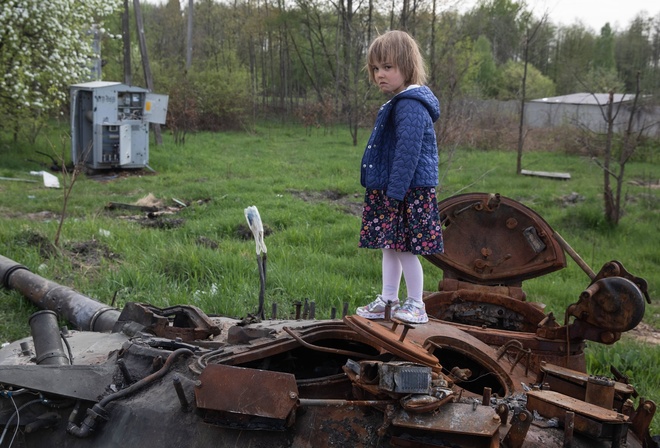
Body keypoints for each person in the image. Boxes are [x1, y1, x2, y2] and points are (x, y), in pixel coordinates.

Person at [355, 30, 443, 324]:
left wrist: (395, 193)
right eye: (376, 68)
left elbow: (408, 152)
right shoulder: (399, 102)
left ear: (407, 65)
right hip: (394, 188)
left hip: (406, 189)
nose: (380, 74)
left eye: (388, 67)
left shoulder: (410, 105)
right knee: (389, 245)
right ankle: (388, 299)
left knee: (405, 248)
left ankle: (417, 304)